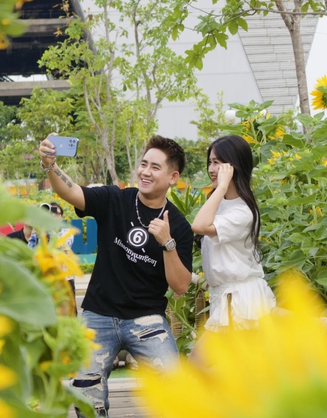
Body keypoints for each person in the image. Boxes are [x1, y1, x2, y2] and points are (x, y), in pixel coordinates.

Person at [39, 134, 193, 418]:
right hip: (98, 314)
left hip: (147, 319)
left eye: (155, 167)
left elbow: (181, 286)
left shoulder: (179, 226)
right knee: (85, 393)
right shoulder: (115, 199)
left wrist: (167, 243)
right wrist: (50, 165)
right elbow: (72, 193)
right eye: (144, 164)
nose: (145, 172)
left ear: (173, 177)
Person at [191, 135, 275, 337]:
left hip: (239, 300)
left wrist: (220, 187)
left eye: (217, 163)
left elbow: (199, 226)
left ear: (232, 167)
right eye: (210, 162)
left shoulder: (243, 212)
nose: (211, 169)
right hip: (226, 299)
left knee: (200, 365)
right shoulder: (219, 204)